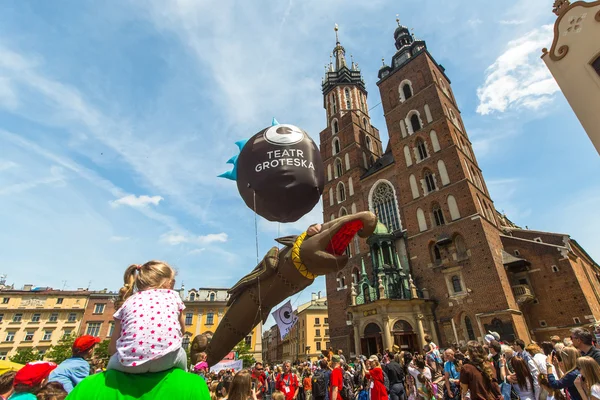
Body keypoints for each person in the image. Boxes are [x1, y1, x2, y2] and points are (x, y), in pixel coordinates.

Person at [107, 260, 187, 373]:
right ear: (170, 283)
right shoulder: (173, 296)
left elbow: (112, 348)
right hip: (167, 359)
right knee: (182, 354)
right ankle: (183, 382)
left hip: (129, 363)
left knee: (111, 366)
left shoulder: (128, 301)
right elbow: (183, 330)